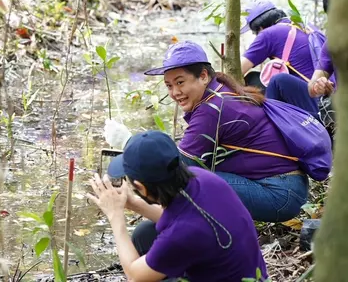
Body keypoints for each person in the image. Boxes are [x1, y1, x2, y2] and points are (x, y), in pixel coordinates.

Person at [145, 41, 308, 222]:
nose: (175, 92)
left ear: (204, 76)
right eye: (169, 86)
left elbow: (180, 169)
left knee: (190, 182)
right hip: (287, 187)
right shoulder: (221, 90)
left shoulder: (211, 109)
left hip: (280, 195)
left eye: (180, 82)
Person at [88, 131, 268, 282]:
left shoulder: (181, 235)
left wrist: (115, 216)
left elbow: (134, 275)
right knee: (145, 234)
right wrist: (135, 203)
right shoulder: (201, 177)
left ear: (141, 187)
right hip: (249, 273)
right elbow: (183, 219)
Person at [240, 0, 317, 81]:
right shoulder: (304, 25)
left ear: (260, 27)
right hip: (327, 86)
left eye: (254, 31)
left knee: (252, 78)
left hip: (311, 90)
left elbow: (238, 70)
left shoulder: (268, 34)